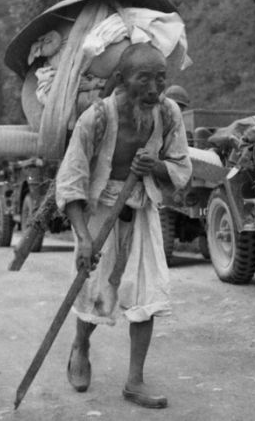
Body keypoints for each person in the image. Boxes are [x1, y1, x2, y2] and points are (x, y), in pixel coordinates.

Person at [55, 42, 192, 409]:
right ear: (120, 79)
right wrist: (84, 238)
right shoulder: (95, 118)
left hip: (142, 206)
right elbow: (70, 181)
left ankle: (134, 381)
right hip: (99, 211)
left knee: (146, 295)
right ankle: (80, 346)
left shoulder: (168, 112)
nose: (152, 88)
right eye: (143, 78)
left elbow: (180, 166)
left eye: (160, 78)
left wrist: (156, 167)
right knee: (95, 293)